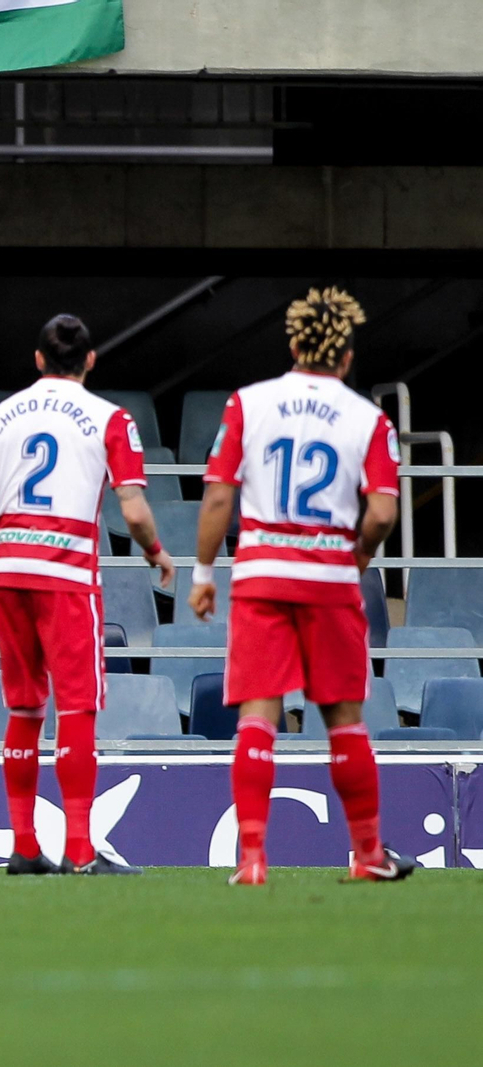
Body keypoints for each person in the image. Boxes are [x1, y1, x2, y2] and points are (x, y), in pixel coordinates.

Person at [191, 286, 414, 885]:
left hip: (263, 575)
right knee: (344, 720)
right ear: (345, 359)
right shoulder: (370, 418)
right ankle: (368, 854)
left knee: (258, 717)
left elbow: (218, 496)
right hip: (329, 579)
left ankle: (253, 860)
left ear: (293, 346)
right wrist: (358, 554)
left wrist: (204, 572)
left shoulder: (249, 403)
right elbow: (384, 513)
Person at [0, 315, 175, 876]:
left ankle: (24, 845)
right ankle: (81, 851)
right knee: (78, 705)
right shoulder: (111, 418)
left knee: (24, 705)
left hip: (11, 570)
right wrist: (156, 550)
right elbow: (132, 508)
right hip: (66, 574)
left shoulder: (0, 415)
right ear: (90, 361)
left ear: (37, 360)